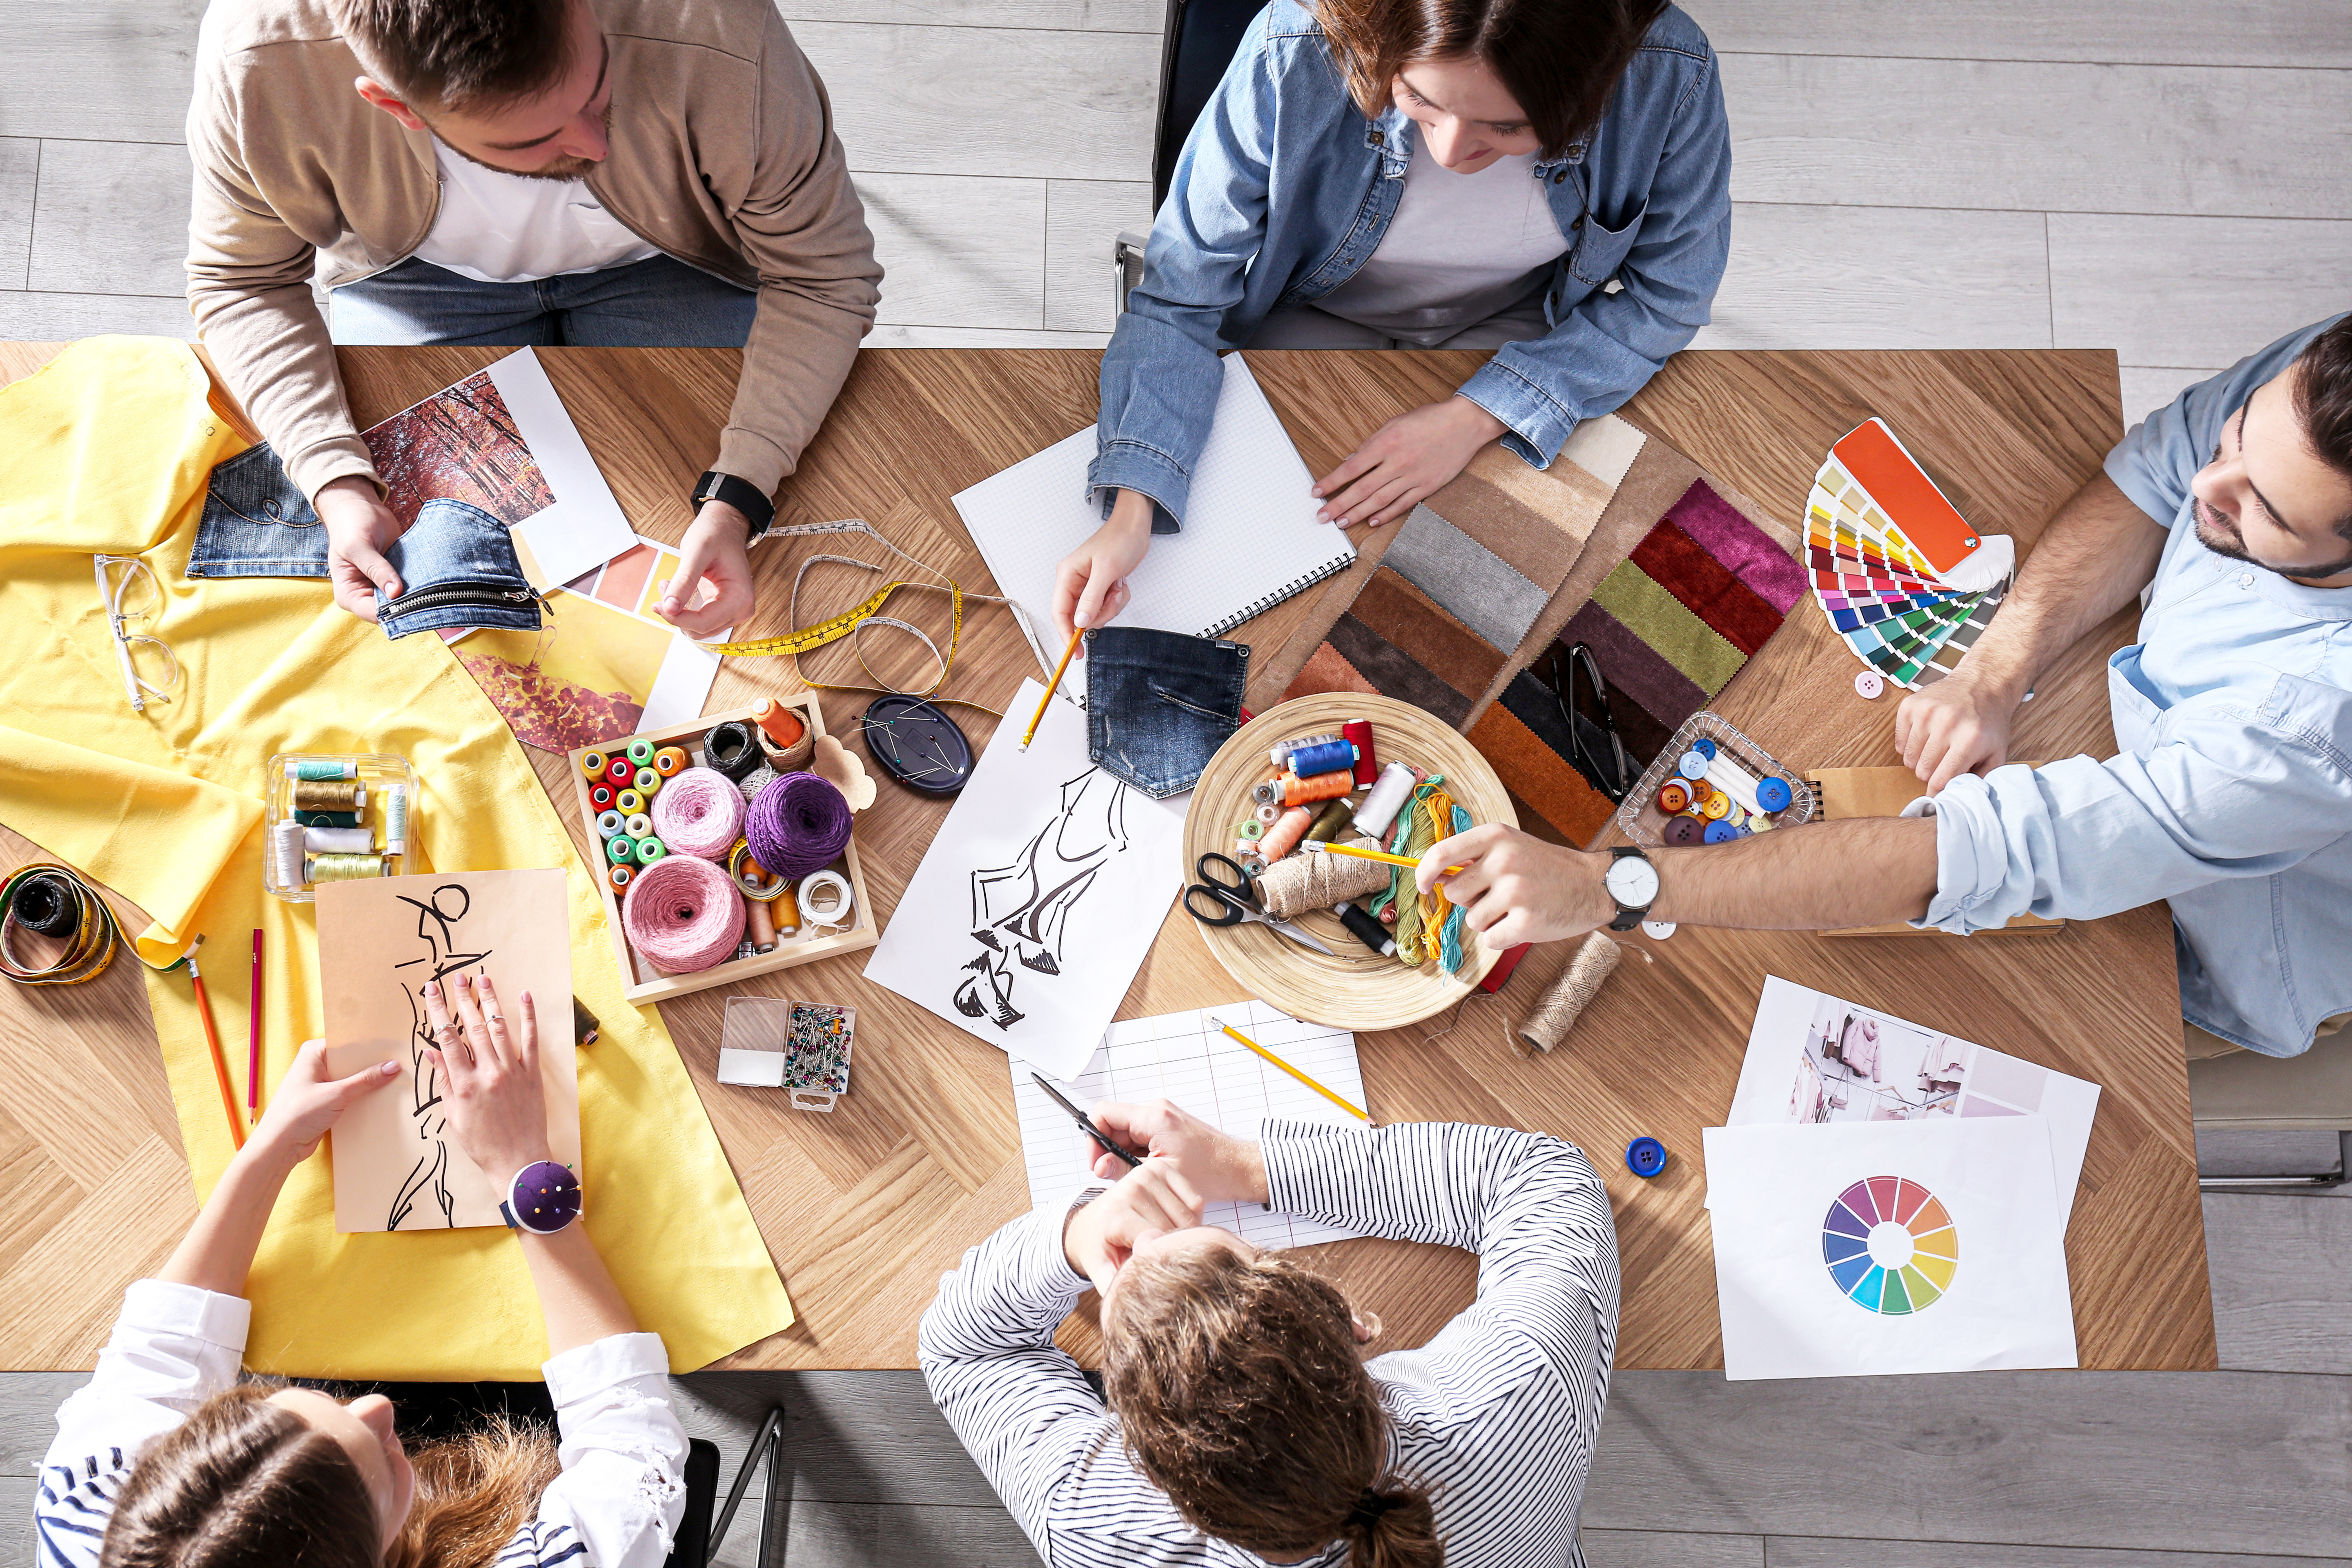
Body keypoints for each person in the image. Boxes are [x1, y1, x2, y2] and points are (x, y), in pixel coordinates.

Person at [1419, 313, 2352, 1060]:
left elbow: (1972, 857)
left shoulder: (2307, 726)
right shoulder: (2319, 391)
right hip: (2125, 765)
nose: (2209, 483)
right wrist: (1992, 671)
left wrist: (1612, 884)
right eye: (2235, 438)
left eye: (2258, 509)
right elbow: (2157, 470)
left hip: (2208, 949)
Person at [186, 0, 882, 637]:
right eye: (534, 140)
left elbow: (824, 275)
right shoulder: (258, 56)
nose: (595, 145)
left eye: (599, 91)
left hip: (674, 255)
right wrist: (331, 479)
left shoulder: (721, 26)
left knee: (745, 475)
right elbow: (241, 280)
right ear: (396, 106)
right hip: (412, 276)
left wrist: (739, 496)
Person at [1054, 0, 1731, 647]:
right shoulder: (1296, 45)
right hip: (1304, 311)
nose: (1450, 150)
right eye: (1421, 101)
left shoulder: (1667, 68)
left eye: (1508, 128)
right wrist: (1133, 507)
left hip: (1526, 336)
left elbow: (1667, 297)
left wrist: (1476, 416)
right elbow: (1179, 298)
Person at [34, 974, 688, 1568]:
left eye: (296, 1405)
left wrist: (272, 1146)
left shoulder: (91, 1519)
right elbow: (632, 1445)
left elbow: (157, 1360)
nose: (380, 1407)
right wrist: (523, 1173)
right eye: (380, 1459)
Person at [921, 1100, 1619, 1566]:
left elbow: (962, 1347)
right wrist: (1250, 1167)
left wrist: (1076, 1240)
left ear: (1140, 1459)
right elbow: (1545, 1178)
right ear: (1344, 1321)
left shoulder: (1100, 1531)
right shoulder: (1522, 1397)